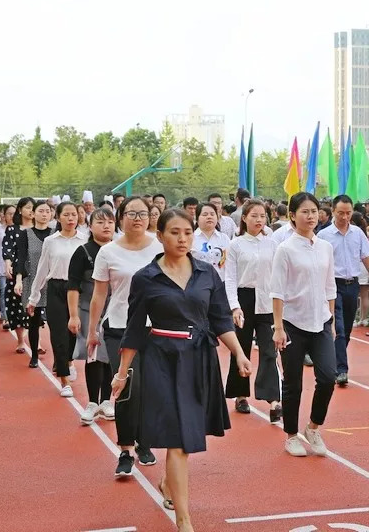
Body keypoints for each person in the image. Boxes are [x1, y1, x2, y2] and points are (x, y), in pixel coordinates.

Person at [111, 208, 252, 532]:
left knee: (187, 436)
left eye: (187, 232)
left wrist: (240, 354)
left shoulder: (207, 274)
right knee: (178, 441)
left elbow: (219, 320)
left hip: (199, 358)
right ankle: (184, 521)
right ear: (160, 236)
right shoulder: (146, 278)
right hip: (161, 360)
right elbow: (133, 330)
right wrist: (122, 373)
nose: (182, 238)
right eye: (174, 232)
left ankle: (166, 481)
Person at [89, 197, 162, 477]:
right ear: (120, 218)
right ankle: (125, 449)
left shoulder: (160, 246)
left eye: (143, 213)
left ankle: (145, 441)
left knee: (149, 387)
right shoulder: (108, 252)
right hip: (119, 326)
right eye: (131, 213)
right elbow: (99, 294)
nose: (137, 218)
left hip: (154, 327)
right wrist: (93, 330)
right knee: (126, 387)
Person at [270, 192, 337, 457]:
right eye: (305, 212)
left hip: (320, 322)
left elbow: (329, 286)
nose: (310, 216)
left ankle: (313, 427)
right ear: (292, 215)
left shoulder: (325, 247)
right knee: (293, 383)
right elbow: (277, 291)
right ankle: (290, 435)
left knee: (329, 377)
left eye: (314, 211)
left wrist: (330, 319)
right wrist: (278, 327)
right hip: (293, 323)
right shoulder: (285, 249)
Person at [224, 200, 281, 420]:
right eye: (254, 216)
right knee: (241, 348)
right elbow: (230, 278)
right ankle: (240, 394)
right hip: (244, 300)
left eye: (262, 216)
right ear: (244, 218)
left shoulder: (273, 244)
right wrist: (234, 306)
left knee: (269, 349)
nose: (259, 220)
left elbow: (279, 275)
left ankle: (274, 400)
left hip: (267, 301)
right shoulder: (236, 245)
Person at [27, 201, 87, 396]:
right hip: (56, 288)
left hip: (77, 289)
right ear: (58, 217)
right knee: (58, 333)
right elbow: (42, 269)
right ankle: (64, 379)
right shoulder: (51, 241)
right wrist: (33, 298)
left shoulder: (84, 240)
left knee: (73, 332)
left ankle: (68, 361)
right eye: (66, 215)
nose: (71, 219)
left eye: (74, 215)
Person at [317, 195, 369, 387]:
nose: (344, 216)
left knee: (347, 328)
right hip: (333, 285)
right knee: (339, 327)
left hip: (353, 285)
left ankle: (335, 357)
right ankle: (341, 369)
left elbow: (366, 257)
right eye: (340, 212)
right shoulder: (324, 235)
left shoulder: (358, 233)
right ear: (333, 211)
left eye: (348, 213)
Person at [67, 207, 117, 425]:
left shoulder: (119, 250)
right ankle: (92, 402)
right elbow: (73, 286)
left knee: (110, 357)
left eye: (110, 222)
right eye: (100, 222)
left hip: (115, 310)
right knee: (94, 355)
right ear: (90, 226)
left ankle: (107, 401)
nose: (106, 226)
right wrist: (73, 315)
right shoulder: (83, 251)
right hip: (89, 310)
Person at [12, 200, 54, 369]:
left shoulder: (55, 233)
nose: (44, 214)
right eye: (41, 211)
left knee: (55, 321)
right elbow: (20, 258)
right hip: (32, 280)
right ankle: (34, 355)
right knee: (33, 320)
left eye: (48, 211)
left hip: (52, 281)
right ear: (33, 213)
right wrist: (18, 280)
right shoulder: (25, 234)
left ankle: (60, 358)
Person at [2, 198, 38, 353]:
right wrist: (8, 264)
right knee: (16, 306)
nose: (31, 211)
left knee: (37, 306)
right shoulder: (12, 230)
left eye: (33, 208)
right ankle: (21, 340)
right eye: (28, 207)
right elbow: (8, 248)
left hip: (37, 272)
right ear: (20, 210)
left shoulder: (39, 229)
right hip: (18, 271)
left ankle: (36, 340)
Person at [191, 203, 231, 280]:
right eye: (205, 214)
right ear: (197, 218)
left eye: (212, 214)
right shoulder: (191, 238)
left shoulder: (224, 238)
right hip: (198, 282)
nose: (209, 217)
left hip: (221, 282)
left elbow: (230, 263)